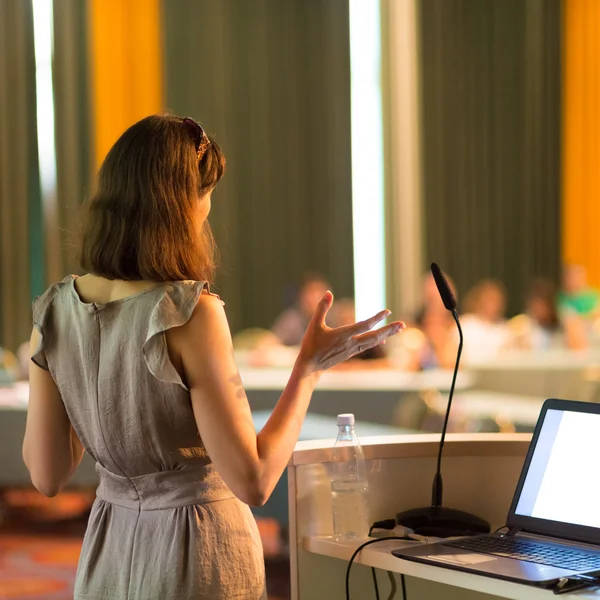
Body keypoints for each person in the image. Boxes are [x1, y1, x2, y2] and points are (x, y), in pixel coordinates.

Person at [21, 114, 404, 600]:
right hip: (197, 548)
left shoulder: (53, 313)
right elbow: (255, 478)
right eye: (205, 194)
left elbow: (47, 475)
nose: (208, 210)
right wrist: (307, 369)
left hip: (109, 554)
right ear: (179, 205)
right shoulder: (188, 313)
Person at [460, 279, 511, 364]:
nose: (494, 305)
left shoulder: (505, 329)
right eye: (490, 300)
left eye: (497, 301)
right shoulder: (465, 324)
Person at [271, 273, 330, 346]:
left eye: (319, 293)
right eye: (310, 293)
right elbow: (272, 342)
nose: (314, 298)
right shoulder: (291, 320)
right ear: (301, 296)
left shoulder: (335, 317)